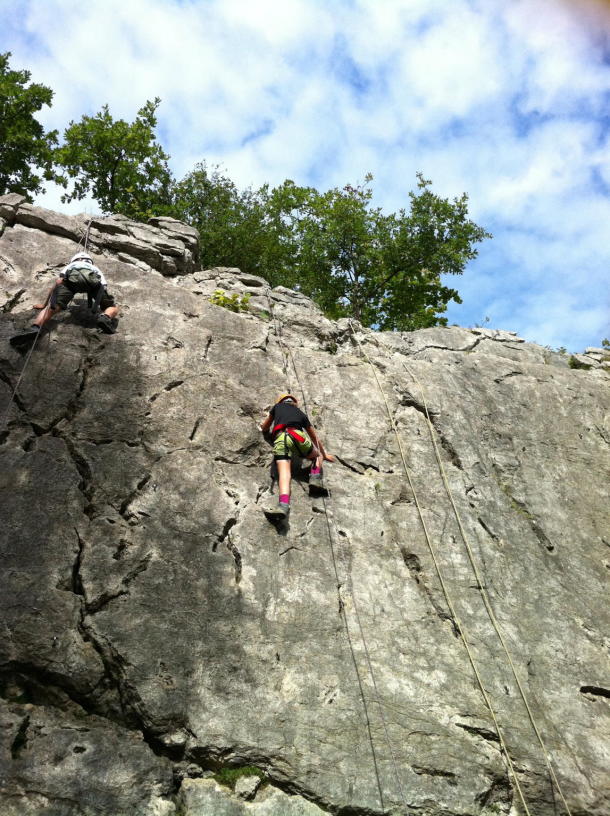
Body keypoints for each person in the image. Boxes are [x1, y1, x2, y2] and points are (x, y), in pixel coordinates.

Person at [10, 251, 119, 347]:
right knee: (111, 307)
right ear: (90, 261)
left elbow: (58, 282)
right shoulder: (94, 268)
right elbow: (103, 285)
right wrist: (100, 299)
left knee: (52, 308)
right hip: (93, 283)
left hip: (71, 282)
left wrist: (45, 304)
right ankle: (105, 317)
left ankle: (35, 327)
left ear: (74, 260)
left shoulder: (72, 265)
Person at [260, 393, 335, 518]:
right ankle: (314, 478)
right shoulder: (301, 413)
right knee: (317, 456)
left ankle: (283, 506)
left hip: (281, 438)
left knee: (284, 474)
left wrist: (265, 430)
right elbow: (315, 438)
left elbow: (265, 426)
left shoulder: (277, 407)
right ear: (294, 403)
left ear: (281, 402)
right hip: (298, 436)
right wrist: (325, 454)